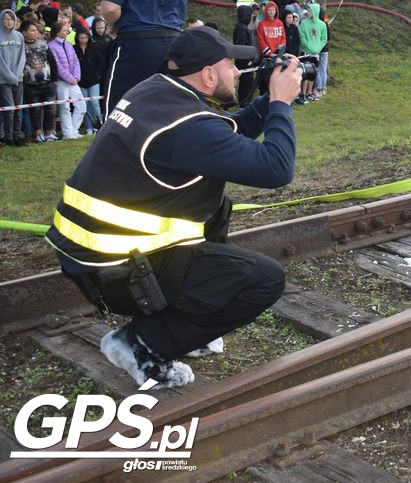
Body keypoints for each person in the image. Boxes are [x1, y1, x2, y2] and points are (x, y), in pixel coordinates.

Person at [46, 26, 302, 389]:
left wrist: (269, 98)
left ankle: (185, 322)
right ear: (208, 74)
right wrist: (279, 104)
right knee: (263, 280)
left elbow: (226, 129)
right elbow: (276, 169)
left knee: (215, 207)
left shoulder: (155, 92)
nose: (237, 71)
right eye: (231, 64)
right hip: (119, 273)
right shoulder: (188, 128)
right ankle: (140, 344)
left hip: (91, 256)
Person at [48, 18, 85, 140]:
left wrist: (76, 77)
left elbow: (75, 61)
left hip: (73, 81)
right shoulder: (51, 46)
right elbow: (57, 66)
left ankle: (74, 130)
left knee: (81, 105)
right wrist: (69, 78)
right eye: (64, 30)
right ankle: (68, 133)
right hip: (61, 82)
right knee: (65, 107)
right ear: (57, 31)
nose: (66, 32)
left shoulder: (68, 44)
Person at [20, 20, 57, 142]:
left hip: (47, 83)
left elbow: (52, 61)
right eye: (32, 30)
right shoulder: (21, 47)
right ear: (24, 32)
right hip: (30, 85)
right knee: (35, 110)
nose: (35, 32)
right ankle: (38, 134)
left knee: (50, 110)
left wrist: (54, 80)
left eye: (36, 30)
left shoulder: (43, 44)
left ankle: (49, 133)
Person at [0, 9, 27, 146]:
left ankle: (17, 135)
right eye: (6, 19)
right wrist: (10, 76)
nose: (9, 22)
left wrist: (17, 74)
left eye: (11, 19)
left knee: (18, 109)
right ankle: (7, 136)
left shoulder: (19, 36)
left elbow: (22, 57)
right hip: (3, 80)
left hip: (18, 78)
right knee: (8, 110)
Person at [74, 29, 106, 134]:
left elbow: (101, 62)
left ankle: (100, 126)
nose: (84, 40)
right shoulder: (74, 49)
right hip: (81, 82)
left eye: (86, 38)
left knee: (95, 104)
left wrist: (97, 75)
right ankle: (88, 128)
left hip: (94, 82)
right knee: (85, 105)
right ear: (77, 38)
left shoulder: (93, 48)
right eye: (81, 38)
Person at [298, 3, 327, 102]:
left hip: (316, 52)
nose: (308, 12)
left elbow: (324, 39)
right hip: (306, 51)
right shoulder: (304, 23)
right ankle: (303, 93)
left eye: (310, 10)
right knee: (305, 73)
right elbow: (302, 37)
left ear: (315, 11)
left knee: (313, 73)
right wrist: (308, 46)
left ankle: (310, 92)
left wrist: (318, 48)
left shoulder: (322, 24)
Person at [233, 4, 260, 105]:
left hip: (245, 59)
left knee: (247, 81)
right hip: (244, 60)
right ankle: (244, 101)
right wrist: (248, 59)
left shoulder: (242, 27)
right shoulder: (241, 28)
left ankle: (245, 100)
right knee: (246, 81)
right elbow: (242, 45)